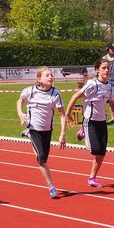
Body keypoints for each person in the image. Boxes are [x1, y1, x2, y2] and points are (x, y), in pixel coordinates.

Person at [65, 58, 114, 188]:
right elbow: (75, 96)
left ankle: (92, 178)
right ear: (97, 70)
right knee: (95, 149)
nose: (107, 70)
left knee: (102, 152)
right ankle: (83, 131)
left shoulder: (110, 87)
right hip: (90, 120)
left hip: (102, 122)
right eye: (104, 68)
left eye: (108, 68)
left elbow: (113, 109)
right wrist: (68, 114)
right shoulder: (92, 84)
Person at [17, 67, 67, 199]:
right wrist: (20, 113)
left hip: (47, 130)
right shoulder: (30, 91)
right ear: (39, 79)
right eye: (47, 75)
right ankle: (51, 187)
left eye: (51, 75)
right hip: (34, 129)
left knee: (44, 157)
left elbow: (62, 114)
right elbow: (20, 100)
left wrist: (62, 133)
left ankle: (28, 134)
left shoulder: (55, 94)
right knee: (42, 159)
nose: (51, 77)